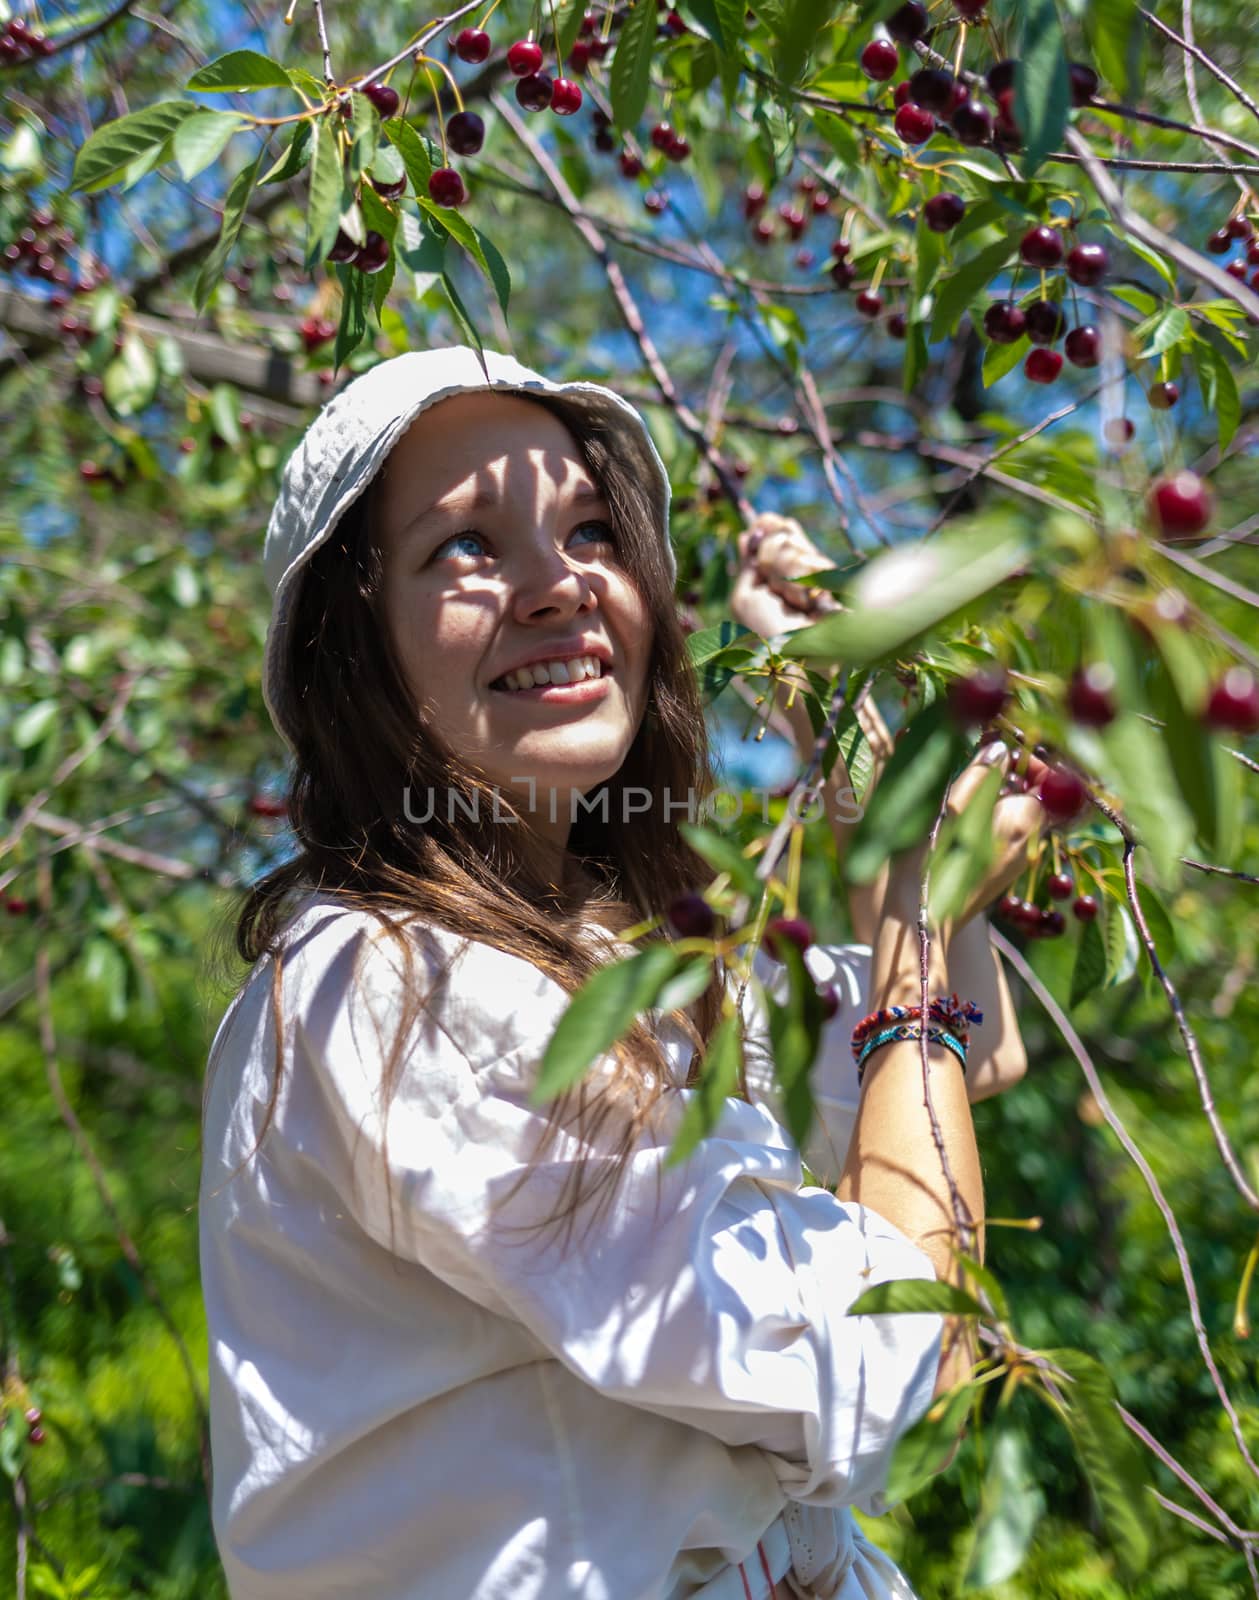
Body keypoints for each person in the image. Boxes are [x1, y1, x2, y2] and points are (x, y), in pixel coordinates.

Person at [198, 345, 1041, 1599]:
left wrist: (860, 746)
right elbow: (883, 1345)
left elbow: (961, 1066)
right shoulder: (394, 984)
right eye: (466, 548)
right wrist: (914, 926)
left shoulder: (616, 961)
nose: (555, 585)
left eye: (591, 528)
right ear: (351, 651)